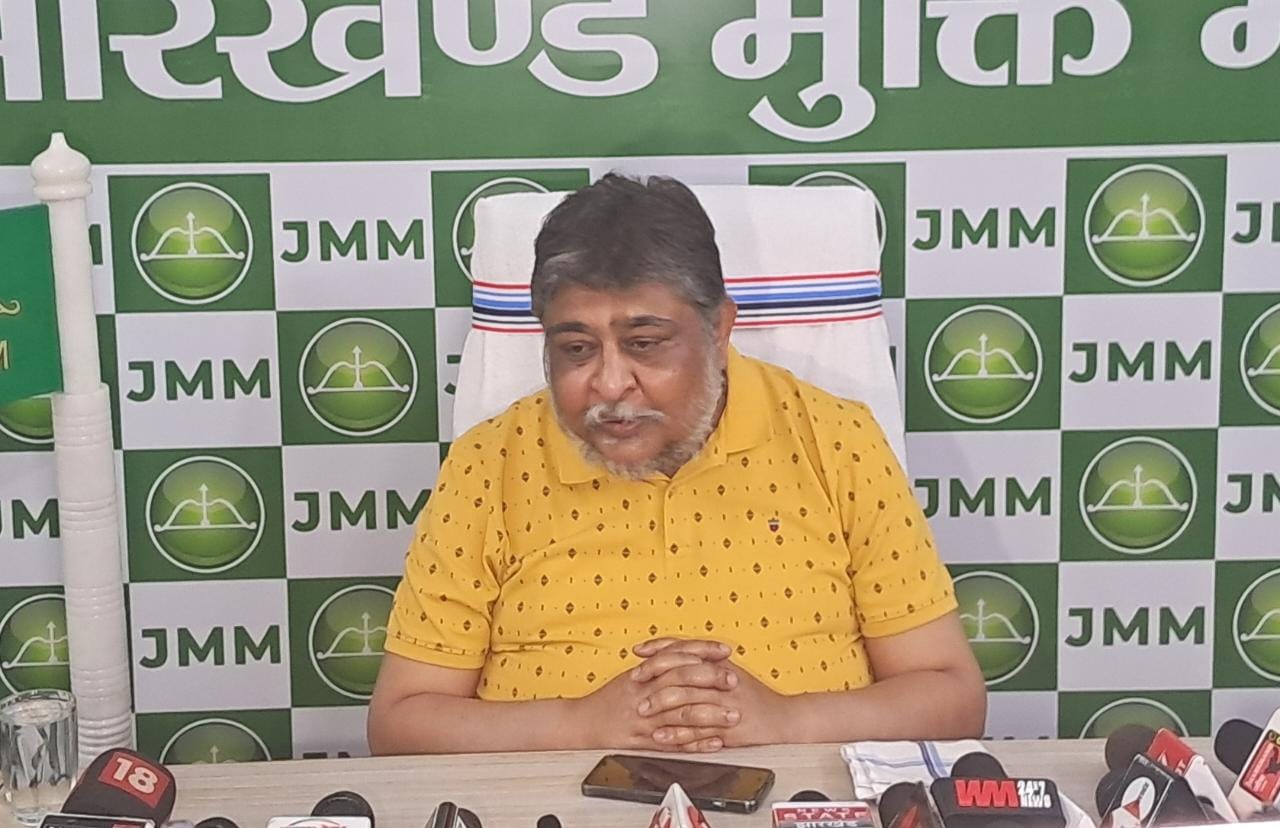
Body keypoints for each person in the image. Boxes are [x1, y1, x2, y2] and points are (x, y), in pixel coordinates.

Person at [368, 174, 985, 755]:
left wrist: (786, 720)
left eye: (645, 344)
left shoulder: (836, 439)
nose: (610, 384)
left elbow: (952, 697)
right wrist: (580, 724)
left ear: (719, 329)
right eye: (577, 349)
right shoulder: (491, 461)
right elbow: (400, 722)